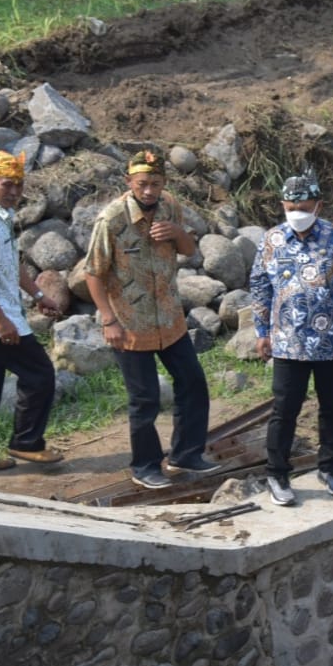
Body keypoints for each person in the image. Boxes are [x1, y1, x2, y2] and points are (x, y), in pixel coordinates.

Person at [84, 150, 218, 489]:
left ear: (164, 184)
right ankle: (144, 466)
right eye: (142, 184)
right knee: (144, 400)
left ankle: (186, 454)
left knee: (193, 383)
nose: (148, 191)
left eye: (155, 184)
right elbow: (93, 274)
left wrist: (176, 232)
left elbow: (189, 249)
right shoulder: (111, 220)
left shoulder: (170, 205)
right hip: (131, 325)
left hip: (170, 319)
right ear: (129, 183)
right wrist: (108, 320)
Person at [251, 175, 333, 507]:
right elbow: (260, 286)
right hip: (287, 343)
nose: (297, 213)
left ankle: (331, 468)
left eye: (304, 208)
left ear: (318, 206)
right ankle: (277, 474)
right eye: (291, 208)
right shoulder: (272, 240)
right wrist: (261, 332)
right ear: (283, 206)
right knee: (284, 410)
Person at [0, 149, 64, 476]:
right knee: (40, 375)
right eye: (8, 184)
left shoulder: (0, 216)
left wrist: (36, 294)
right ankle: (26, 443)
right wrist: (2, 321)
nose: (16, 192)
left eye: (19, 184)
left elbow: (10, 263)